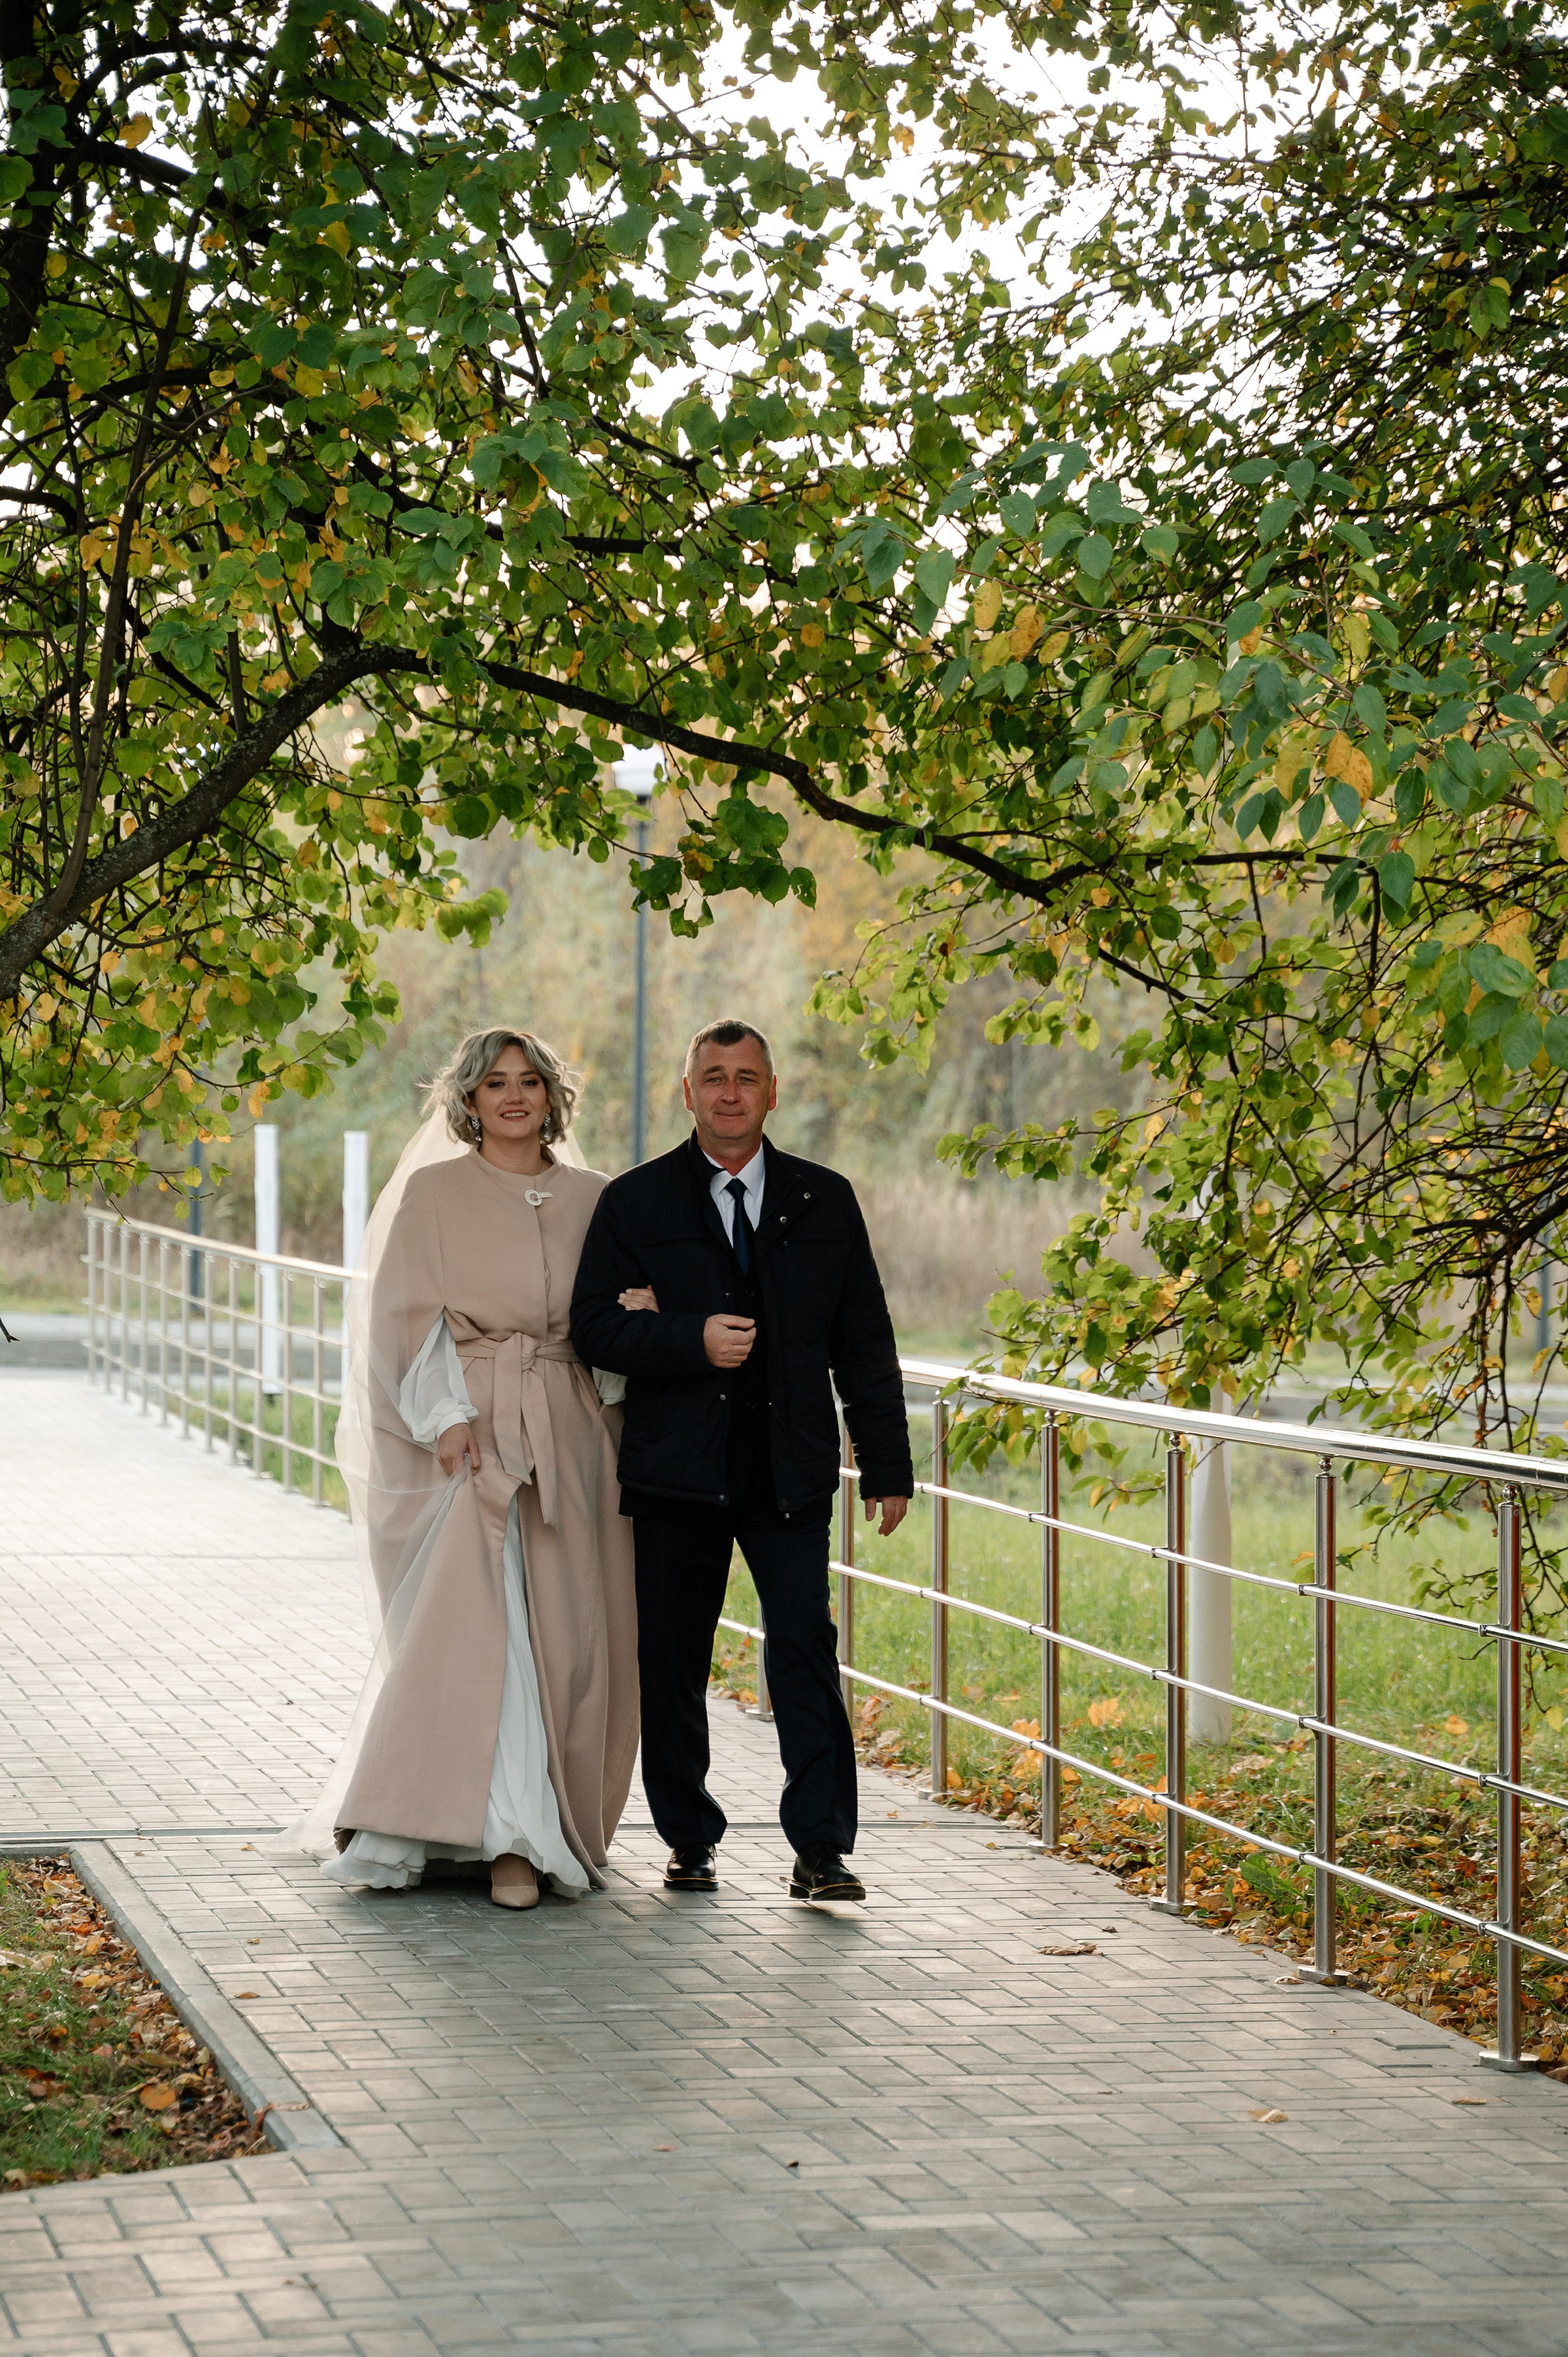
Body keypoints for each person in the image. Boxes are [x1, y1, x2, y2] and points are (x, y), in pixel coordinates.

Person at [569, 1017, 912, 1903]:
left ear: (772, 1091)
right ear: (687, 1093)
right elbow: (593, 1328)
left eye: (746, 1076)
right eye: (713, 1077)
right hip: (675, 1470)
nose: (730, 1092)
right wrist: (688, 1339)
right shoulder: (635, 1202)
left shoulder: (824, 1199)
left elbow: (864, 1342)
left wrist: (887, 1464)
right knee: (673, 1663)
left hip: (790, 1471)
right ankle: (689, 1838)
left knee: (804, 1652)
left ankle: (823, 1850)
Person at [301, 1028, 639, 1909]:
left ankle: (542, 1825)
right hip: (472, 1442)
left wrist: (639, 1316)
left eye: (530, 1082)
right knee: (490, 1636)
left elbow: (610, 1322)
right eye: (496, 1084)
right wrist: (448, 1418)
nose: (515, 1097)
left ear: (552, 1097)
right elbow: (403, 1317)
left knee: (568, 1644)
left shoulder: (600, 1198)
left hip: (570, 1439)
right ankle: (504, 1842)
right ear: (471, 1100)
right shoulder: (433, 1193)